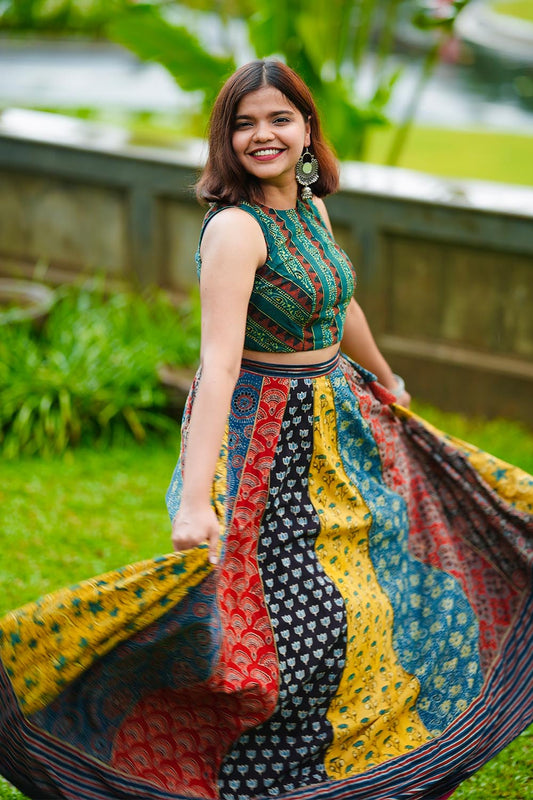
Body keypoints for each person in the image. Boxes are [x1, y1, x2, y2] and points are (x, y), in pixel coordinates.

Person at [0, 59, 531, 800]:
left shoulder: (306, 210)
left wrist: (383, 374)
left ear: (306, 128)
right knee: (282, 627)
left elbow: (339, 302)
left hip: (335, 419)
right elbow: (215, 368)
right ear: (226, 141)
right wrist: (193, 497)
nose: (263, 135)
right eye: (244, 123)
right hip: (265, 442)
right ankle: (232, 769)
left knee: (374, 590)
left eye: (278, 118)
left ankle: (371, 759)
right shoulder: (237, 231)